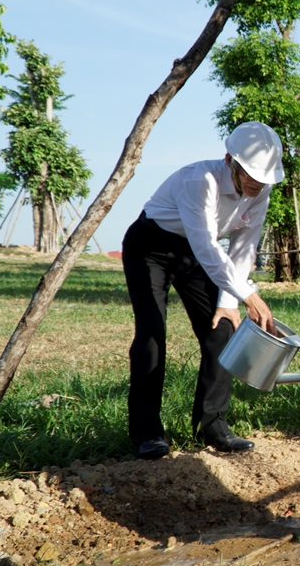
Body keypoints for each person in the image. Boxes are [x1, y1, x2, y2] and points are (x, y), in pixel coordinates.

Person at [122, 121, 284, 461]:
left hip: (197, 257)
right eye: (251, 175)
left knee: (222, 331)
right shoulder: (200, 182)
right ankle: (146, 433)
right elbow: (207, 245)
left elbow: (243, 247)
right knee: (152, 335)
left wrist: (229, 302)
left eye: (264, 177)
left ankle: (212, 426)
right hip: (151, 247)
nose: (257, 183)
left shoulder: (261, 190)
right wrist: (248, 295)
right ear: (230, 161)